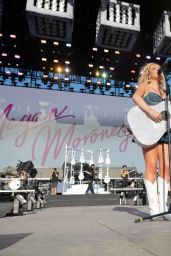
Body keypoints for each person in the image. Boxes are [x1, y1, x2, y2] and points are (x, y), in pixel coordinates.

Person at [132, 62, 171, 221]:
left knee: (166, 168)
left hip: (163, 131)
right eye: (154, 68)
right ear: (148, 72)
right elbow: (135, 97)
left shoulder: (164, 91)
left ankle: (163, 208)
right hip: (149, 131)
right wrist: (151, 111)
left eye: (158, 68)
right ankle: (154, 209)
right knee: (151, 167)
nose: (157, 69)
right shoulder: (145, 86)